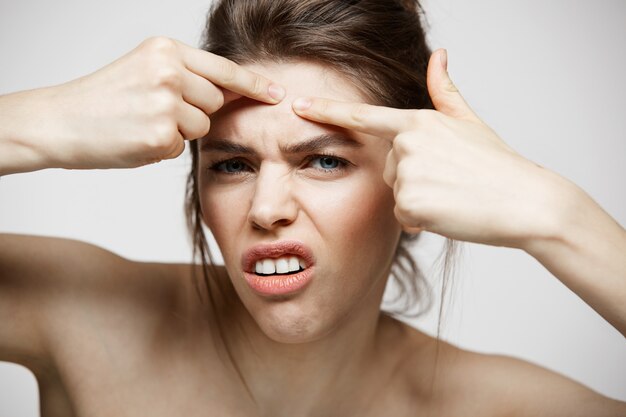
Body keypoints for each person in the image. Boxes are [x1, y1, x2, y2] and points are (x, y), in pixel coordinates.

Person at [0, 0, 624, 415]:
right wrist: (31, 123)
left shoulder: (503, 407)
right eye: (232, 164)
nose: (267, 208)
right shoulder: (85, 322)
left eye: (324, 160)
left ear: (411, 177)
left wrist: (555, 214)